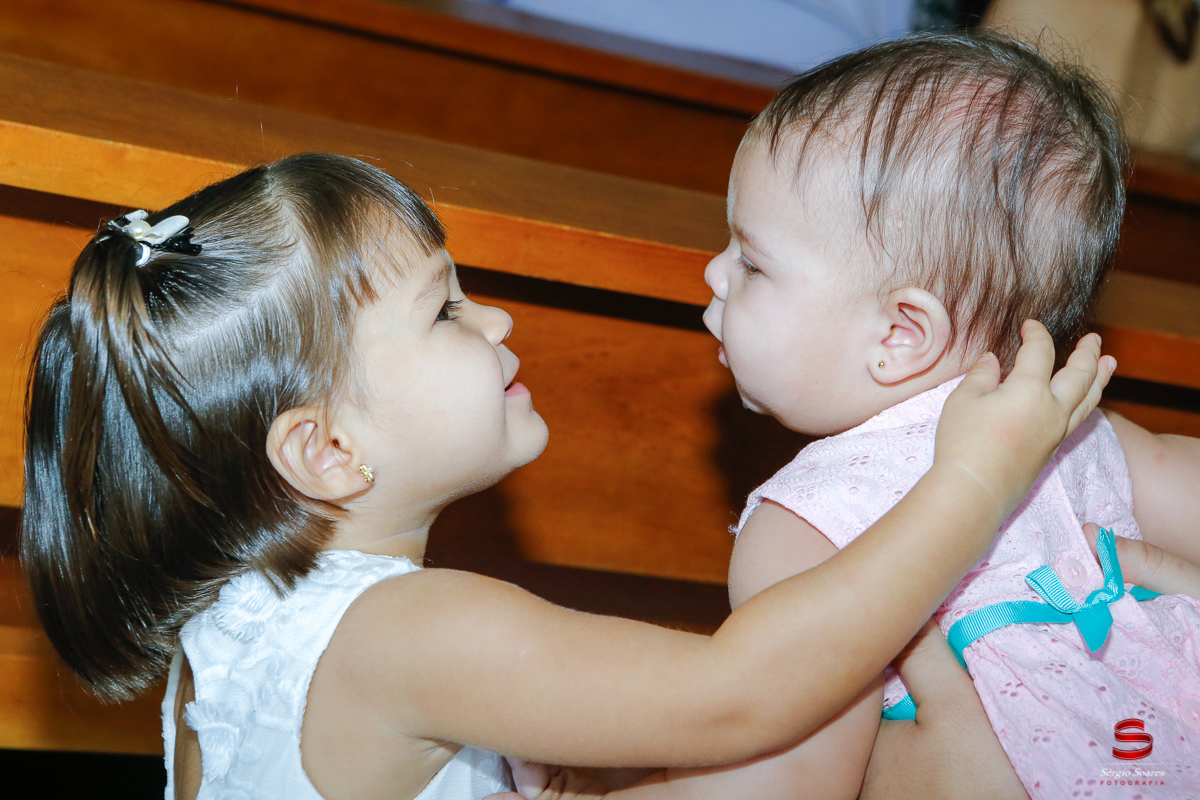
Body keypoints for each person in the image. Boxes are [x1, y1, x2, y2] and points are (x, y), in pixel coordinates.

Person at [20, 153, 1110, 800]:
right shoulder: (414, 631)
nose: (493, 319)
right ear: (329, 451)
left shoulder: (245, 619)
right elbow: (739, 692)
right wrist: (973, 475)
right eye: (444, 309)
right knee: (802, 710)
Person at [584, 31, 1198, 800]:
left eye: (752, 260)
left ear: (900, 335)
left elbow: (787, 782)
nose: (713, 271)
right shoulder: (1073, 432)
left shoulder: (808, 526)